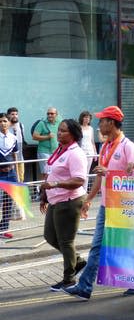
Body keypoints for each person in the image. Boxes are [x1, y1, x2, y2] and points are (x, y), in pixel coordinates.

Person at [62, 106, 134, 301]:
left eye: (102, 121)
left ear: (112, 123)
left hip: (124, 207)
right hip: (107, 205)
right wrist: (88, 200)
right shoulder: (105, 146)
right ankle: (87, 286)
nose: (99, 125)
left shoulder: (127, 146)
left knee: (118, 246)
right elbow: (100, 177)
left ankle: (88, 286)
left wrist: (113, 173)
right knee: (103, 246)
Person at [39, 119, 88, 291]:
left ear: (73, 134)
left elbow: (79, 180)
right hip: (55, 200)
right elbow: (51, 174)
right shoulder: (60, 150)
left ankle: (69, 279)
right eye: (59, 130)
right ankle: (79, 262)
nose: (59, 133)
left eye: (63, 131)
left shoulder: (75, 153)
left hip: (69, 201)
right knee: (49, 237)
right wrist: (45, 195)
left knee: (66, 241)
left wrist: (55, 185)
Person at [0, 113, 18, 239]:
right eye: (0, 121)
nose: (2, 123)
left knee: (8, 202)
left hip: (11, 174)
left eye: (5, 121)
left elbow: (15, 155)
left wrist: (16, 172)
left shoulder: (13, 137)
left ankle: (4, 228)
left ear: (9, 122)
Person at [32, 107, 61, 179]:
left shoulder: (60, 122)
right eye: (48, 114)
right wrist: (47, 137)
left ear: (56, 114)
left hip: (56, 151)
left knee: (55, 172)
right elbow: (34, 137)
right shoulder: (42, 123)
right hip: (44, 152)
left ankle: (53, 189)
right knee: (46, 173)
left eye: (52, 114)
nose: (49, 115)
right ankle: (45, 189)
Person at [7, 107, 26, 182]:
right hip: (9, 160)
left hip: (20, 158)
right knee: (11, 180)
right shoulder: (5, 126)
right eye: (12, 114)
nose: (15, 116)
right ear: (8, 115)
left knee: (21, 179)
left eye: (16, 114)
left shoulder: (21, 126)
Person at [78, 111, 97, 176]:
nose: (87, 119)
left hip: (90, 151)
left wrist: (95, 153)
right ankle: (80, 186)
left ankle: (85, 186)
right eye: (85, 117)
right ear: (82, 118)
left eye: (88, 118)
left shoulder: (91, 128)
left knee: (87, 172)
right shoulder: (79, 128)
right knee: (81, 170)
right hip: (81, 151)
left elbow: (92, 141)